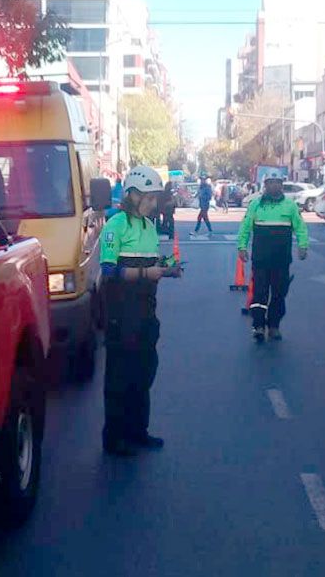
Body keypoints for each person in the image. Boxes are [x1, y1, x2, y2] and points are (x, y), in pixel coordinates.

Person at [99, 166, 183, 457]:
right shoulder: (115, 225)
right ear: (132, 195)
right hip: (121, 313)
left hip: (146, 310)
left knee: (145, 370)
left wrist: (168, 268)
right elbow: (109, 271)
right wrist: (148, 273)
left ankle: (138, 431)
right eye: (148, 198)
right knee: (120, 374)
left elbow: (151, 260)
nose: (153, 204)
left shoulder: (149, 226)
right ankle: (115, 437)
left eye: (155, 199)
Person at [238, 172, 309, 342]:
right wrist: (242, 247)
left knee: (279, 294)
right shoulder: (255, 205)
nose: (274, 186)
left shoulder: (290, 206)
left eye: (277, 183)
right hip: (261, 260)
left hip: (281, 260)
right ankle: (259, 326)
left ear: (281, 185)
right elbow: (245, 227)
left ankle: (274, 326)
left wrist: (303, 245)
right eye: (271, 183)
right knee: (259, 294)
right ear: (265, 185)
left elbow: (300, 228)